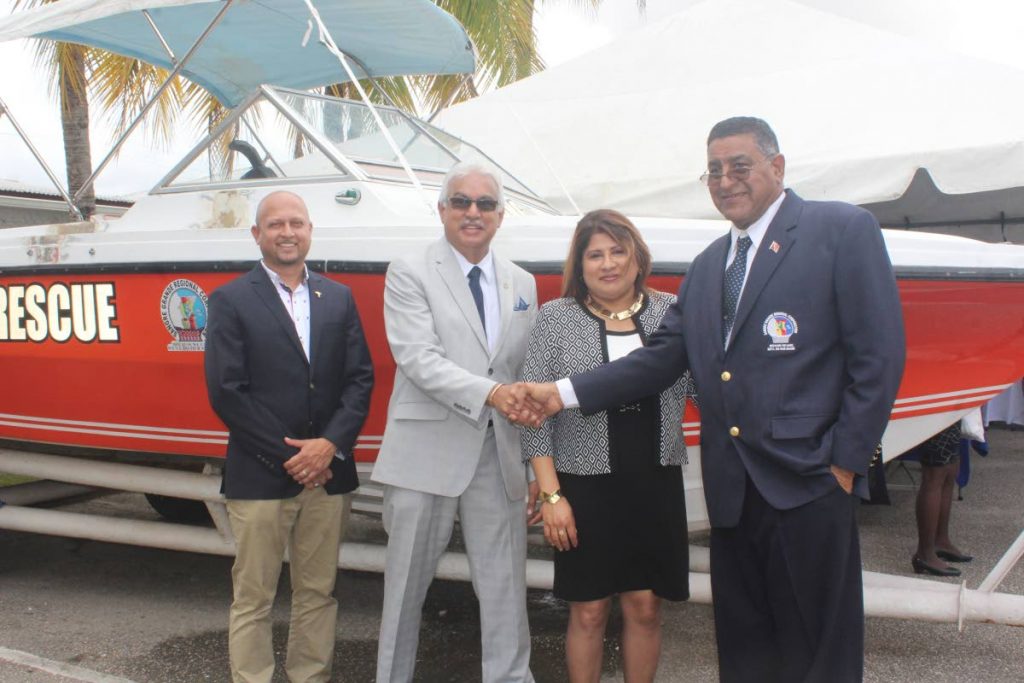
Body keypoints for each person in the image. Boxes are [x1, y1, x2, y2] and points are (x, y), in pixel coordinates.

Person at [517, 117, 906, 683]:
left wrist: (847, 461)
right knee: (746, 647)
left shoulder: (841, 230)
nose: (726, 180)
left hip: (809, 482)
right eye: (715, 170)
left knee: (820, 648)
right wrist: (560, 394)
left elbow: (878, 355)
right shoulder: (706, 269)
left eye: (739, 166)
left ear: (777, 166)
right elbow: (657, 360)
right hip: (734, 493)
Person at [371, 160, 539, 683]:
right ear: (442, 210)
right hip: (425, 454)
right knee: (403, 591)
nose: (473, 212)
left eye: (485, 204)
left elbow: (523, 371)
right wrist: (492, 393)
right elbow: (418, 359)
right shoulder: (409, 270)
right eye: (461, 202)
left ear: (500, 216)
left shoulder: (524, 283)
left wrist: (535, 467)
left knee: (507, 589)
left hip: (499, 455)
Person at [204, 190, 375, 683]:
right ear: (257, 235)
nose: (287, 232)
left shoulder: (338, 297)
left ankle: (310, 676)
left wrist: (329, 446)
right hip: (259, 475)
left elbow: (359, 379)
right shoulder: (232, 300)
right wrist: (292, 456)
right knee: (254, 596)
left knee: (318, 593)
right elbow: (227, 391)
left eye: (296, 222)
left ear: (310, 230)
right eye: (275, 224)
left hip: (328, 473)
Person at [520, 209, 694, 683]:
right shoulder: (555, 318)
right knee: (590, 611)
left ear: (638, 257)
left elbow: (703, 389)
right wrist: (552, 495)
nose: (608, 263)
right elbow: (533, 415)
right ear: (579, 266)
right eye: (594, 254)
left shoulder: (672, 313)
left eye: (618, 251)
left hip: (654, 480)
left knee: (644, 607)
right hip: (582, 487)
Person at [912, 422, 971, 577]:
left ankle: (941, 540)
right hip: (932, 406)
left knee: (951, 467)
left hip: (951, 404)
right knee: (935, 473)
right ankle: (925, 553)